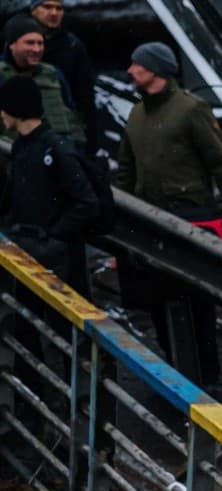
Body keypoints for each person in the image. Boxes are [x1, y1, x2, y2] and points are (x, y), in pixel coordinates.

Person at [116, 40, 222, 382]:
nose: (130, 70)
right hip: (150, 220)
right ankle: (175, 369)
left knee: (196, 302)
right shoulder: (136, 114)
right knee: (158, 300)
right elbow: (126, 171)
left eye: (137, 64)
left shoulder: (191, 109)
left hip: (192, 218)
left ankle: (206, 378)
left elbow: (219, 161)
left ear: (155, 69)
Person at [0, 74, 97, 290]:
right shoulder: (20, 147)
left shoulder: (56, 148)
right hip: (29, 251)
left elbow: (87, 202)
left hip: (54, 256)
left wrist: (53, 236)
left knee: (52, 320)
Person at [25, 1, 96, 156]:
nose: (54, 13)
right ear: (33, 10)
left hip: (62, 130)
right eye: (47, 7)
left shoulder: (72, 46)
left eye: (59, 8)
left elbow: (85, 97)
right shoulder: (12, 38)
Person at [0, 15, 80, 144]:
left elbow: (72, 113)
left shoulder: (53, 74)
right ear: (12, 45)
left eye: (40, 43)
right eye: (29, 43)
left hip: (59, 151)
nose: (37, 49)